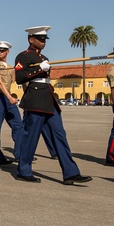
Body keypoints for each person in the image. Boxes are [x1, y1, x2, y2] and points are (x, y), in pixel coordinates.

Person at [13, 26, 90, 185]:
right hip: (35, 100)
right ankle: (24, 170)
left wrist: (42, 67)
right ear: (31, 39)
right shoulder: (23, 56)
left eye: (45, 39)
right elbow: (20, 78)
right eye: (40, 39)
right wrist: (39, 69)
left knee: (60, 136)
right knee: (31, 137)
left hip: (48, 99)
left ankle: (70, 172)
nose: (43, 42)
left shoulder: (44, 57)